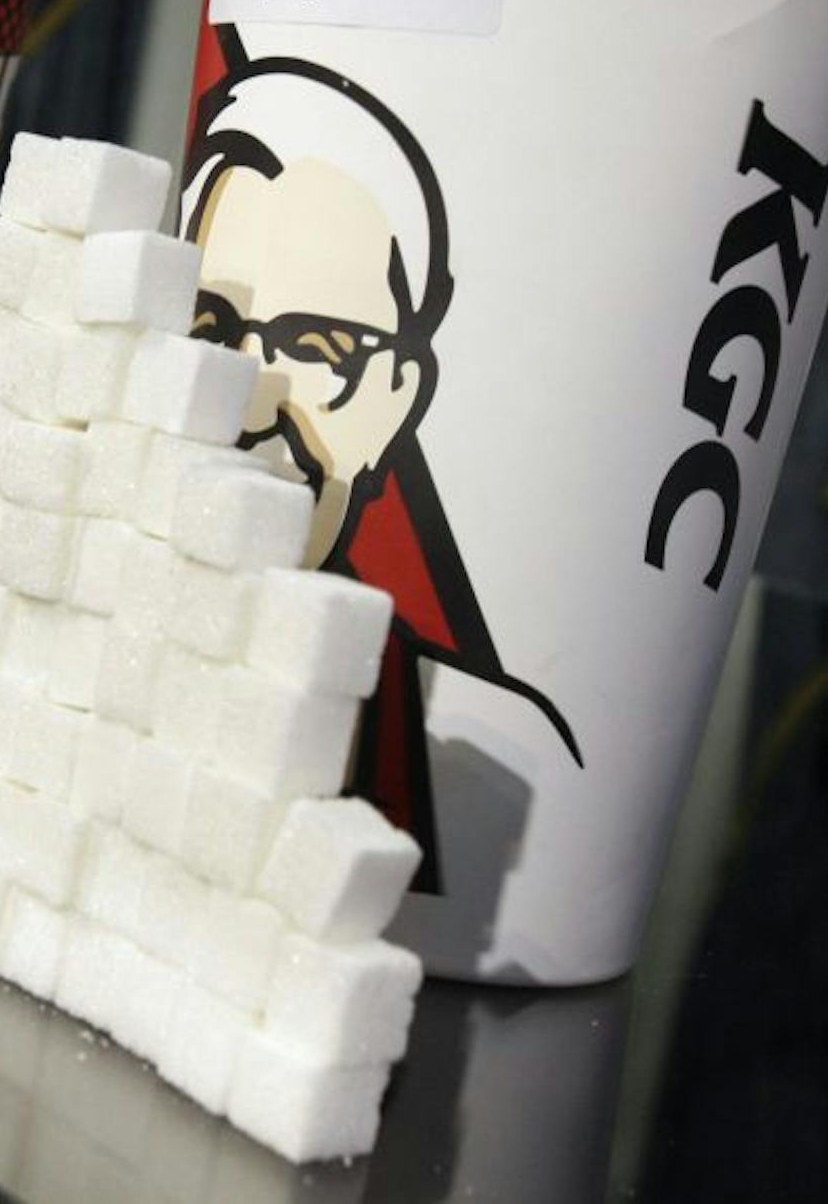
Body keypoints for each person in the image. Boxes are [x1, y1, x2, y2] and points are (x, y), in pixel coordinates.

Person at [184, 56, 581, 890]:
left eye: (317, 347)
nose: (249, 398)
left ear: (394, 403)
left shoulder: (493, 753)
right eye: (212, 328)